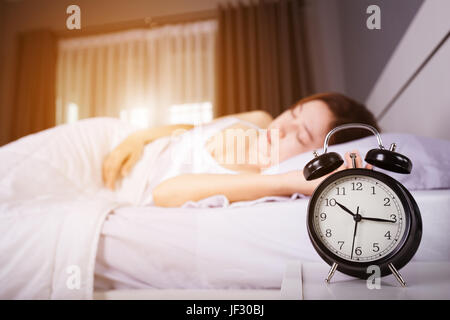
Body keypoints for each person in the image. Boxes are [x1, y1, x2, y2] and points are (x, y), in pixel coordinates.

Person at [102, 92, 379, 207]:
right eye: (293, 113)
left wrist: (291, 180)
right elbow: (190, 128)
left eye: (301, 135)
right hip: (123, 145)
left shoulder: (254, 184)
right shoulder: (260, 119)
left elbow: (163, 193)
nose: (281, 128)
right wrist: (137, 138)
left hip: (114, 189)